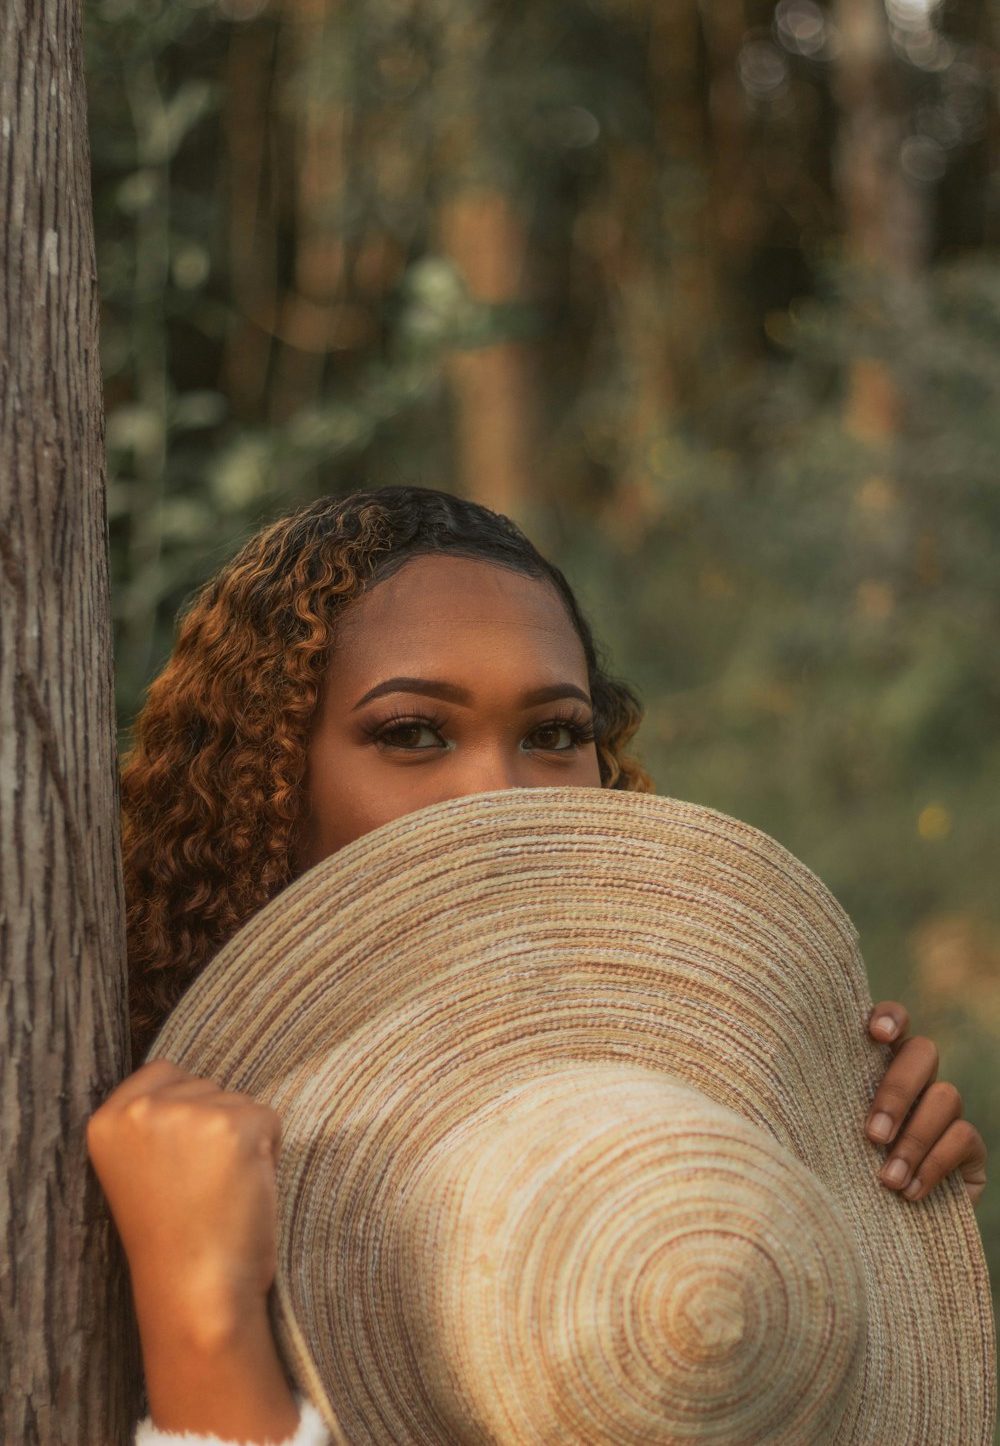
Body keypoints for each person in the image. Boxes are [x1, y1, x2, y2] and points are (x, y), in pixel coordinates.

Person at [87, 486, 988, 1446]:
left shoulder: (705, 1107)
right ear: (261, 780)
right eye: (412, 734)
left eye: (555, 735)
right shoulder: (91, 1117)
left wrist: (860, 1216)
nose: (498, 802)